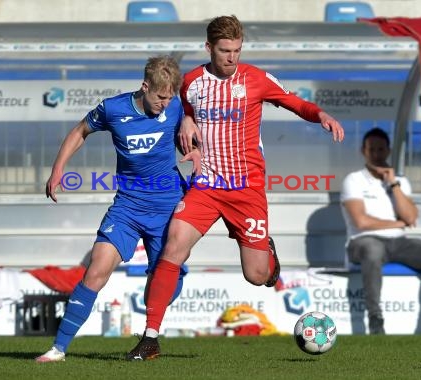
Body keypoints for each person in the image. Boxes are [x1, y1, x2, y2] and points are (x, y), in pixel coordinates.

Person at [126, 15, 344, 361]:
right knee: (173, 246)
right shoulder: (192, 81)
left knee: (256, 276)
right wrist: (186, 120)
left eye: (237, 50)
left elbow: (294, 102)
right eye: (225, 50)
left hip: (247, 189)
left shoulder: (255, 79)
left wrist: (320, 115)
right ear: (209, 48)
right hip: (207, 186)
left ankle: (267, 255)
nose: (232, 58)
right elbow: (183, 113)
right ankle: (150, 337)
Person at [35, 55, 200, 362]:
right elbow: (79, 132)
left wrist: (197, 153)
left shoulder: (178, 107)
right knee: (96, 270)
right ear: (144, 86)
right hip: (127, 206)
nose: (165, 103)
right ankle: (57, 349)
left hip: (168, 208)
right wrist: (58, 169)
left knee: (169, 280)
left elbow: (194, 139)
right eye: (159, 97)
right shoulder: (113, 109)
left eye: (169, 98)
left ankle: (149, 335)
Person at [340, 127, 421, 335]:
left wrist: (393, 184)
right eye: (371, 149)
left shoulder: (400, 181)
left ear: (388, 151)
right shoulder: (353, 180)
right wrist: (396, 223)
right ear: (363, 151)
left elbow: (411, 218)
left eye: (380, 149)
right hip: (362, 242)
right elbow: (361, 222)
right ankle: (375, 319)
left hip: (398, 243)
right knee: (373, 250)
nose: (376, 154)